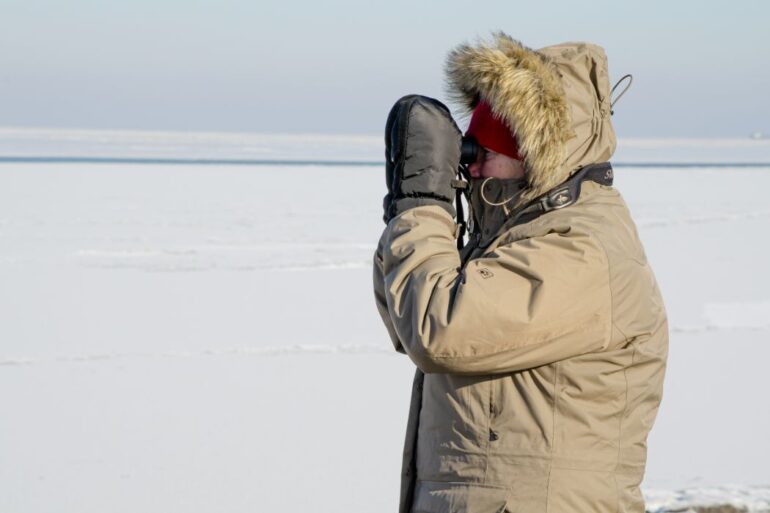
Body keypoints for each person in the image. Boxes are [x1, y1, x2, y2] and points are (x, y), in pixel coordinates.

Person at [373, 33, 668, 513]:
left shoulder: (580, 249)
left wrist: (422, 207)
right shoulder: (509, 237)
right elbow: (405, 323)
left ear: (538, 151)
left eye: (487, 148)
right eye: (470, 148)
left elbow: (437, 331)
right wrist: (411, 211)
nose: (473, 165)